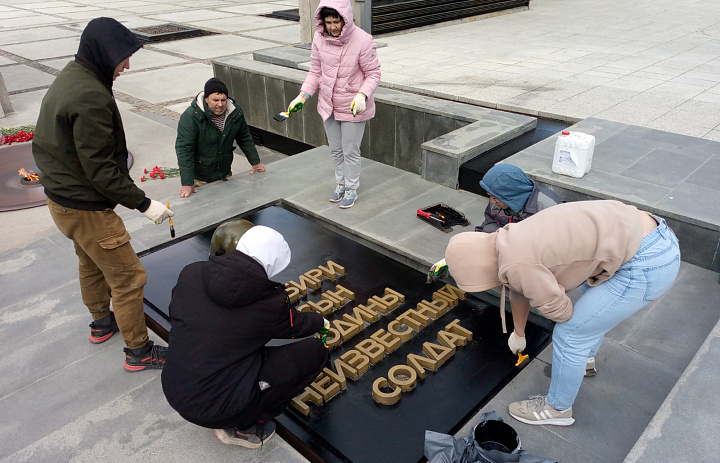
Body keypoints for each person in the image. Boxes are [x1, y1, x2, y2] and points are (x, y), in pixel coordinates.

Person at [444, 200, 680, 426]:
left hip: (646, 263)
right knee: (589, 318)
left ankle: (557, 409)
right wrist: (519, 331)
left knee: (571, 334)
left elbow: (561, 311)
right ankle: (584, 360)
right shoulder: (508, 239)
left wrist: (546, 296)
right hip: (646, 234)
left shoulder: (517, 265)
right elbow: (519, 286)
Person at [32, 17, 173, 371]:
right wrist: (144, 203)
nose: (127, 64)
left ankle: (101, 322)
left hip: (62, 200)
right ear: (105, 53)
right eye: (123, 57)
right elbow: (100, 170)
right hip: (85, 207)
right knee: (129, 278)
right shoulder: (90, 95)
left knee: (90, 262)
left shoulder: (75, 74)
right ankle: (138, 351)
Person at [161, 225, 328, 448]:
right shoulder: (268, 304)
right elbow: (294, 325)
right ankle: (245, 425)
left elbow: (180, 317)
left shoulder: (191, 272)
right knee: (314, 353)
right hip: (215, 408)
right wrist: (319, 321)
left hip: (175, 388)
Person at [285, 0, 381, 209]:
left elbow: (373, 74)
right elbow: (315, 72)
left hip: (353, 106)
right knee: (336, 150)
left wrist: (362, 95)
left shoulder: (363, 40)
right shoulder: (319, 39)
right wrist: (302, 95)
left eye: (337, 21)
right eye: (329, 22)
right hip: (328, 104)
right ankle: (340, 183)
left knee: (350, 150)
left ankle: (352, 188)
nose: (333, 27)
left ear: (345, 19)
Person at [176, 77, 265, 198]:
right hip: (200, 178)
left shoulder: (235, 112)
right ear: (206, 99)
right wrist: (187, 182)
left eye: (223, 100)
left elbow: (244, 137)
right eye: (215, 100)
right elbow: (184, 149)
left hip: (224, 173)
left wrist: (255, 162)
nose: (220, 104)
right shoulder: (191, 117)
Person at [476, 163, 563, 233]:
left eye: (495, 197)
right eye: (490, 196)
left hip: (536, 247)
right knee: (489, 229)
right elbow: (487, 225)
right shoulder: (496, 202)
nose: (492, 201)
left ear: (510, 194)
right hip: (509, 244)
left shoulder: (549, 206)